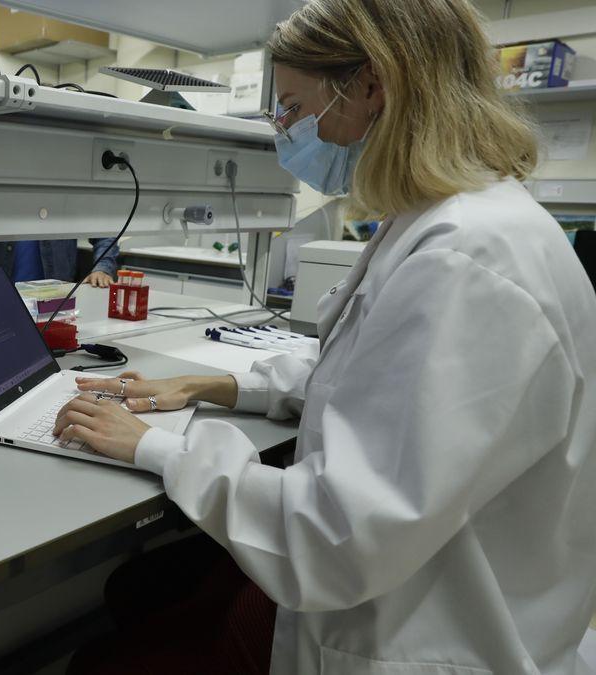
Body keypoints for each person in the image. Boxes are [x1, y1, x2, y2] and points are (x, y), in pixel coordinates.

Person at [58, 1, 596, 673]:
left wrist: (163, 449)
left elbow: (336, 534)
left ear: (371, 85)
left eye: (291, 108)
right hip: (415, 583)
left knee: (107, 657)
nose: (285, 133)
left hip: (422, 635)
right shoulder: (452, 223)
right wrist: (213, 383)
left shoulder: (466, 260)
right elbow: (369, 374)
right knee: (145, 589)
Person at [0, 238, 120, 286]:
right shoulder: (3, 176)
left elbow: (105, 231)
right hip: (2, 291)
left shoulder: (66, 181)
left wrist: (102, 267)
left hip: (53, 298)